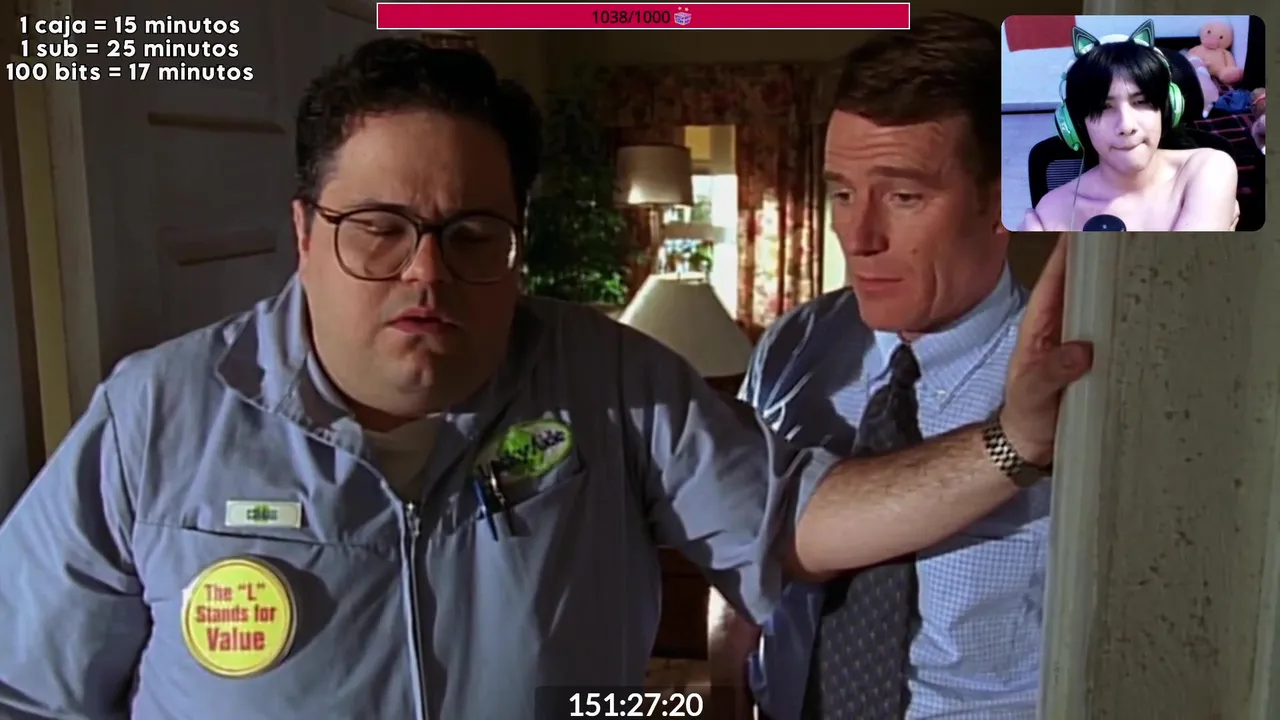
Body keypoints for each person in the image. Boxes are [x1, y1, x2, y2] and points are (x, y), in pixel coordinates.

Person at [0, 38, 1091, 720]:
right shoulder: (154, 415)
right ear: (303, 230)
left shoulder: (612, 381)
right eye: (379, 228)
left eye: (472, 233)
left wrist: (1015, 437)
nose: (426, 273)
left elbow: (783, 522)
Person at [708, 13, 1051, 720]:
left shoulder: (1067, 381)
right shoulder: (797, 344)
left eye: (903, 196)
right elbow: (739, 517)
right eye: (841, 192)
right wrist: (725, 661)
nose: (858, 236)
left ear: (1002, 206)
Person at [1022, 20, 1239, 232]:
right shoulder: (1052, 211)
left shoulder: (1208, 168)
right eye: (1104, 107)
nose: (1126, 126)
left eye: (1141, 102)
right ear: (1076, 123)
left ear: (1167, 109)